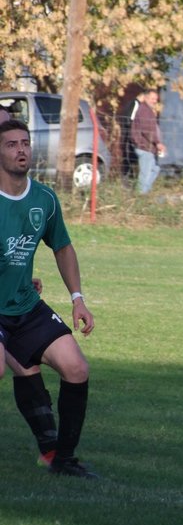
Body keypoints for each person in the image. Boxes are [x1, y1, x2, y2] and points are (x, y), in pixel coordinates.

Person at [0, 119, 97, 478]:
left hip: (25, 305)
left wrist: (77, 299)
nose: (21, 150)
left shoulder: (44, 198)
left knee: (76, 368)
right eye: (11, 144)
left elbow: (63, 247)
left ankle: (63, 460)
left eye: (25, 143)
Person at [130, 89, 166, 194]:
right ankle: (140, 195)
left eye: (156, 99)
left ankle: (144, 192)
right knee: (145, 173)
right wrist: (157, 143)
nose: (154, 101)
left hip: (148, 147)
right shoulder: (144, 110)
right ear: (145, 98)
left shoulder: (148, 110)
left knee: (155, 169)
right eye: (152, 98)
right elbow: (147, 130)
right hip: (144, 146)